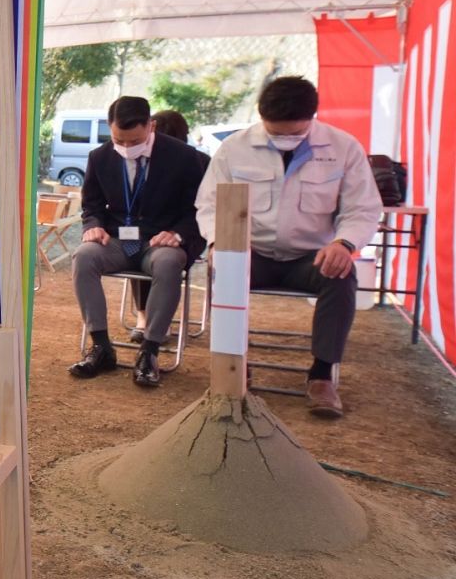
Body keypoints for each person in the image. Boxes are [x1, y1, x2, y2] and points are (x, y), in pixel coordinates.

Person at [196, 76, 382, 417]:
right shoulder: (234, 148)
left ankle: (322, 376)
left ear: (313, 116)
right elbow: (209, 204)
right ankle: (235, 368)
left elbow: (363, 207)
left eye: (293, 133)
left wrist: (344, 243)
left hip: (310, 257)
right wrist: (220, 243)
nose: (284, 139)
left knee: (342, 274)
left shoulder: (343, 148)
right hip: (252, 253)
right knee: (222, 268)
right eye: (274, 132)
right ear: (260, 115)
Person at [69, 96, 207, 387]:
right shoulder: (100, 157)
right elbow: (91, 206)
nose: (127, 148)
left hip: (159, 242)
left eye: (134, 141)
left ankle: (150, 351)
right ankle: (101, 346)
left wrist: (178, 233)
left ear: (151, 126)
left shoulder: (184, 157)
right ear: (110, 128)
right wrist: (92, 227)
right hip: (118, 240)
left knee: (170, 263)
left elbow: (199, 208)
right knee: (84, 256)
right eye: (120, 140)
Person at [129, 109, 212, 341]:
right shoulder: (140, 162)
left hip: (186, 235)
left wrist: (178, 234)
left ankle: (152, 320)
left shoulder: (200, 162)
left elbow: (201, 211)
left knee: (163, 258)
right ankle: (144, 316)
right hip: (148, 233)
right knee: (134, 245)